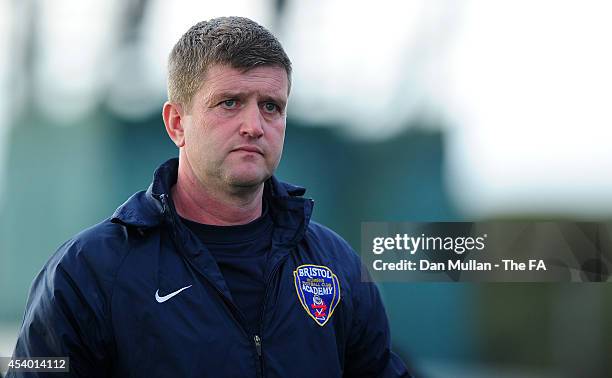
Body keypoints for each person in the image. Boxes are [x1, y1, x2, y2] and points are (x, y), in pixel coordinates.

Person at [9, 17, 411, 377]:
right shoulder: (87, 272)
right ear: (177, 123)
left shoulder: (335, 265)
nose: (253, 125)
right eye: (230, 103)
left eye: (271, 106)